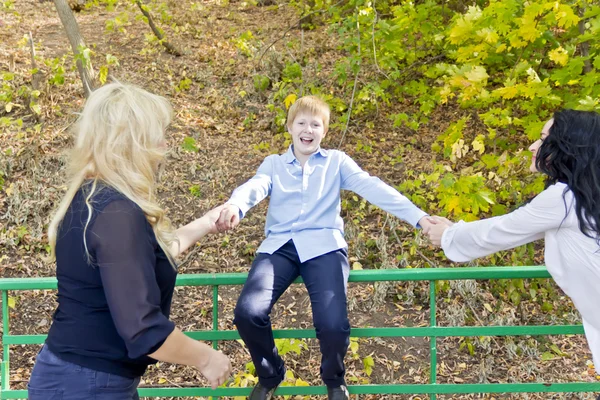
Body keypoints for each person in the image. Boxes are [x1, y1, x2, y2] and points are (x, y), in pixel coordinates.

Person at [215, 95, 436, 400]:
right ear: (290, 127)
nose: (308, 129)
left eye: (315, 124)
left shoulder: (336, 162)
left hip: (324, 247)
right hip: (280, 247)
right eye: (302, 123)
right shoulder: (274, 164)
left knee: (333, 323)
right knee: (247, 312)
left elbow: (374, 187)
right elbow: (255, 186)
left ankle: (333, 378)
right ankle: (270, 373)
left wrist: (420, 218)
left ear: (324, 131)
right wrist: (236, 205)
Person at [27, 82, 232, 400]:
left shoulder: (93, 199)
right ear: (134, 143)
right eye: (157, 135)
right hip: (88, 384)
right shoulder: (117, 213)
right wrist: (207, 358)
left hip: (81, 377)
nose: (165, 145)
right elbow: (143, 329)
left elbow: (141, 262)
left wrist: (206, 223)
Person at [426, 109, 600, 388]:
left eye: (543, 139)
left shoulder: (563, 200)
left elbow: (499, 231)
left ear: (568, 147)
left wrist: (447, 236)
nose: (533, 146)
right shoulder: (582, 199)